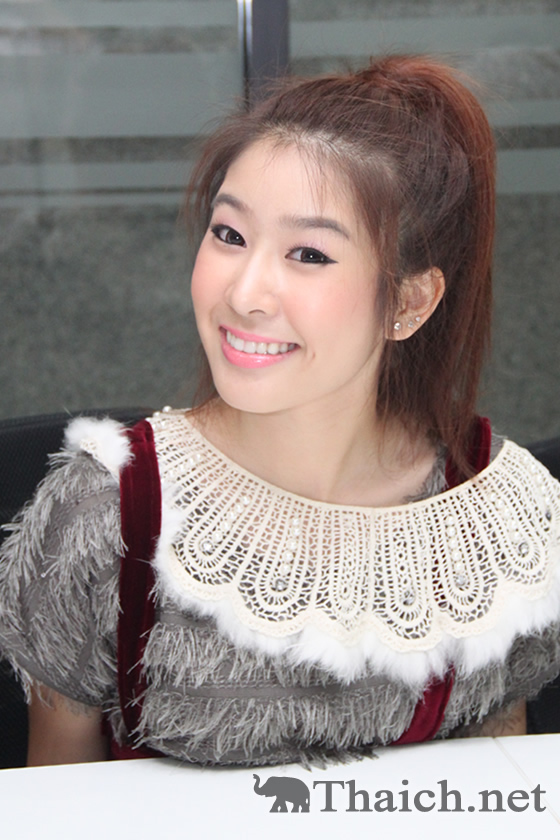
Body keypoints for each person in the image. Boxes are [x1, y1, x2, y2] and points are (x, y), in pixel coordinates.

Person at [1, 54, 559, 768]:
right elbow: (57, 799)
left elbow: (501, 791)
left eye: (308, 254)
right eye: (229, 235)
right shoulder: (107, 510)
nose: (244, 294)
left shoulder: (504, 520)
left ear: (409, 302)